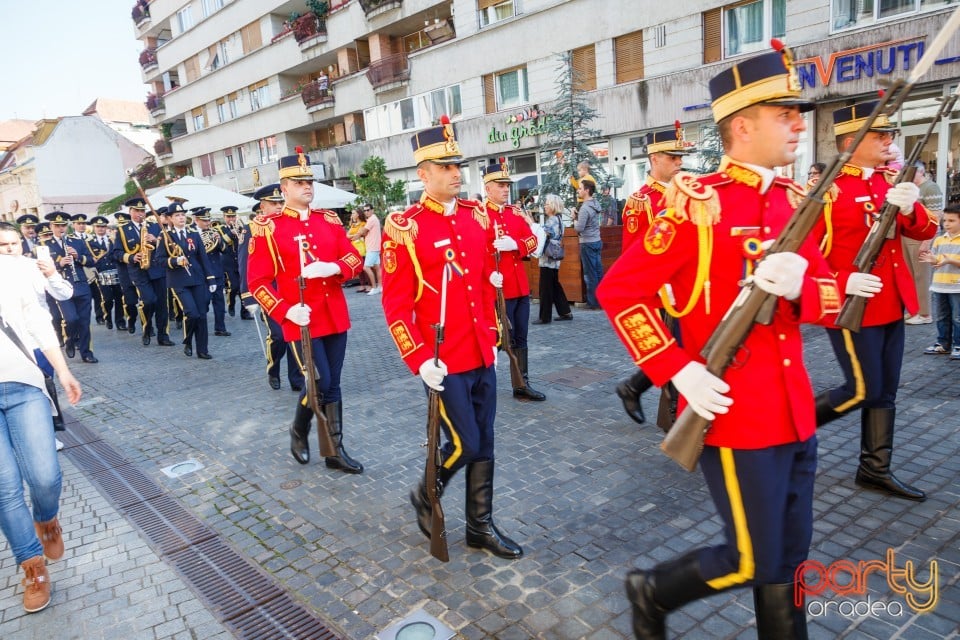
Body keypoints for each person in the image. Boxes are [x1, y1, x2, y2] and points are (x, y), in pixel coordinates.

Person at [598, 44, 841, 638]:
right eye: (783, 113)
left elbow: (835, 302)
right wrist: (676, 369)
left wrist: (800, 289)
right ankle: (652, 591)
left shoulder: (794, 203)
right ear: (742, 125)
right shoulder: (694, 205)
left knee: (787, 559)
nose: (797, 122)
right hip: (732, 412)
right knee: (752, 557)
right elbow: (620, 291)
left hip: (794, 413)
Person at [382, 115, 523, 560]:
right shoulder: (405, 226)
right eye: (444, 167)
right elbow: (396, 304)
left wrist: (493, 337)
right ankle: (427, 493)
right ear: (422, 174)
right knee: (465, 441)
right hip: (441, 360)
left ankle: (480, 525)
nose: (456, 173)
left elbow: (483, 283)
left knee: (486, 439)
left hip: (479, 350)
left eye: (457, 165)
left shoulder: (474, 216)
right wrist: (419, 357)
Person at [813, 100, 938, 502]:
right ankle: (783, 427)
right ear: (852, 140)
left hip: (890, 304)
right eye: (880, 134)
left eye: (890, 134)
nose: (890, 140)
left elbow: (923, 231)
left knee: (885, 391)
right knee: (860, 389)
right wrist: (844, 279)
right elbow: (801, 256)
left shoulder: (890, 181)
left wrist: (911, 205)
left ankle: (874, 469)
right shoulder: (827, 190)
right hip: (851, 307)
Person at [246, 148, 364, 473]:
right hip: (301, 319)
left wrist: (333, 267)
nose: (307, 185)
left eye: (309, 180)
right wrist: (284, 311)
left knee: (333, 385)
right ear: (283, 188)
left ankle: (334, 451)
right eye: (298, 181)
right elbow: (258, 282)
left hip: (333, 314)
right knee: (318, 383)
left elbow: (355, 259)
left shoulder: (328, 220)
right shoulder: (268, 227)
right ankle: (299, 430)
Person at [0, 233, 83, 613]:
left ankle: (47, 519)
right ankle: (32, 567)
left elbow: (38, 320)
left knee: (45, 476)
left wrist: (63, 371)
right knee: (4, 489)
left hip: (23, 383)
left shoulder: (15, 269)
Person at [615, 123, 696, 425]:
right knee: (676, 351)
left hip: (691, 286)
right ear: (654, 159)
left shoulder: (688, 192)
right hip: (665, 295)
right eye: (672, 158)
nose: (679, 163)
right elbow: (633, 259)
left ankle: (636, 389)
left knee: (682, 349)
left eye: (680, 158)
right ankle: (675, 414)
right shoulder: (642, 202)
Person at [481, 160, 546, 401]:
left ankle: (521, 383)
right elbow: (473, 252)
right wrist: (488, 273)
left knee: (520, 337)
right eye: (500, 185)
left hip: (519, 286)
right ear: (488, 188)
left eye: (507, 184)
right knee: (495, 339)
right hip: (498, 288)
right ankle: (480, 381)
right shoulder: (479, 216)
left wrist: (515, 245)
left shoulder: (514, 213)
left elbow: (533, 242)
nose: (506, 189)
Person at [241, 185, 306, 392]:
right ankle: (273, 368)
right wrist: (248, 297)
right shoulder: (253, 229)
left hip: (293, 289)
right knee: (278, 335)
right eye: (274, 203)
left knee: (295, 334)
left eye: (281, 202)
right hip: (268, 291)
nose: (279, 207)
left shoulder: (290, 224)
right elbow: (245, 265)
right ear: (263, 206)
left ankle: (297, 378)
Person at [156, 202, 217, 359]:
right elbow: (159, 260)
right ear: (170, 218)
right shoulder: (165, 236)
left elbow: (203, 257)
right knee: (192, 313)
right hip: (178, 281)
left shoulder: (194, 234)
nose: (181, 217)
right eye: (177, 215)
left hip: (197, 279)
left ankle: (202, 349)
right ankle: (188, 339)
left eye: (183, 214)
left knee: (202, 315)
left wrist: (210, 279)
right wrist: (175, 261)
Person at [113, 197, 174, 348]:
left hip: (157, 269)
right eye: (137, 211)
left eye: (142, 211)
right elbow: (116, 253)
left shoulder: (155, 226)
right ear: (130, 211)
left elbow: (168, 247)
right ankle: (147, 328)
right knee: (148, 301)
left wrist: (156, 240)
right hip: (138, 272)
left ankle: (163, 335)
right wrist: (132, 257)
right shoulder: (122, 230)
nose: (140, 214)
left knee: (161, 304)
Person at [45, 211, 98, 364]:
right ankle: (69, 339)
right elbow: (40, 268)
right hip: (61, 288)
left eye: (63, 225)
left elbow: (91, 261)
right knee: (71, 319)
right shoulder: (45, 246)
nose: (61, 228)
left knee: (84, 321)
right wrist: (58, 264)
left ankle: (86, 352)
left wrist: (78, 257)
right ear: (51, 226)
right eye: (57, 226)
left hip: (81, 284)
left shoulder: (77, 242)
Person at [904, 161, 945, 325]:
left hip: (921, 238)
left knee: (921, 276)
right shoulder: (912, 188)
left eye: (910, 172)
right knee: (911, 276)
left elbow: (936, 215)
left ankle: (925, 313)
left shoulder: (930, 188)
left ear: (920, 172)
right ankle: (914, 310)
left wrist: (927, 242)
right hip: (908, 237)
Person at [920, 205, 960, 358]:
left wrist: (950, 260)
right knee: (942, 316)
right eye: (945, 220)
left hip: (957, 287)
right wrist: (932, 260)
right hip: (939, 285)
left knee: (957, 317)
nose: (947, 224)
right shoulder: (939, 239)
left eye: (952, 220)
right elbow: (937, 261)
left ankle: (958, 345)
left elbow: (949, 261)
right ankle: (943, 343)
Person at [533, 193, 573, 324]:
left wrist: (531, 223)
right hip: (555, 259)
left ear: (552, 206)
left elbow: (541, 233)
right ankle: (565, 311)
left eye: (546, 204)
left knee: (545, 287)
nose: (544, 206)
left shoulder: (552, 220)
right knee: (555, 285)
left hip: (548, 259)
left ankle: (545, 317)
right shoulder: (560, 220)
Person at [194, 209, 230, 336]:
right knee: (204, 301)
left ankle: (220, 328)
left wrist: (219, 240)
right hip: (202, 273)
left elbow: (225, 250)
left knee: (219, 301)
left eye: (208, 220)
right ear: (196, 220)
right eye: (204, 220)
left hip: (217, 272)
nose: (207, 223)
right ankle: (200, 328)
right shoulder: (192, 234)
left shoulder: (214, 232)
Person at [88, 216, 123, 331]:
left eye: (103, 226)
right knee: (107, 299)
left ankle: (120, 321)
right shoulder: (89, 242)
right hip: (100, 273)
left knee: (119, 297)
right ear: (94, 227)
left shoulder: (112, 239)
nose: (101, 229)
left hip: (115, 271)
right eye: (98, 226)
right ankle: (107, 317)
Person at [573, 179, 603, 309]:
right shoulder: (595, 203)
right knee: (598, 272)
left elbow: (579, 228)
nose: (578, 190)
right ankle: (601, 300)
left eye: (580, 188)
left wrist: (574, 218)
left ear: (587, 190)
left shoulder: (585, 207)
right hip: (597, 240)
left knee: (590, 274)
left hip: (587, 243)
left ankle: (593, 303)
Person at [220, 206, 249, 320]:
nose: (231, 219)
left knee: (243, 287)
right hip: (228, 262)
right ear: (224, 217)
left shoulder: (241, 226)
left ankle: (245, 312)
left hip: (240, 260)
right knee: (234, 286)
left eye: (233, 216)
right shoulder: (220, 228)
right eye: (228, 217)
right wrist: (231, 233)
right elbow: (222, 242)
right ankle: (231, 304)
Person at [111, 211, 134, 333]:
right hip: (124, 271)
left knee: (145, 301)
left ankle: (148, 326)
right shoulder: (114, 238)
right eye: (119, 225)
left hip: (137, 270)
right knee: (128, 300)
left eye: (124, 224)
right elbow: (114, 255)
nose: (121, 227)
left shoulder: (133, 233)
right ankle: (129, 320)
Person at [346, 210, 370, 292]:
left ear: (358, 214)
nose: (352, 214)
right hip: (354, 248)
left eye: (353, 213)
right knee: (359, 267)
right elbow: (347, 235)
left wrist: (352, 236)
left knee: (364, 267)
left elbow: (359, 234)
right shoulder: (353, 225)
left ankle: (368, 285)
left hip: (362, 248)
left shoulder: (363, 224)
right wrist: (353, 236)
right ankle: (362, 284)